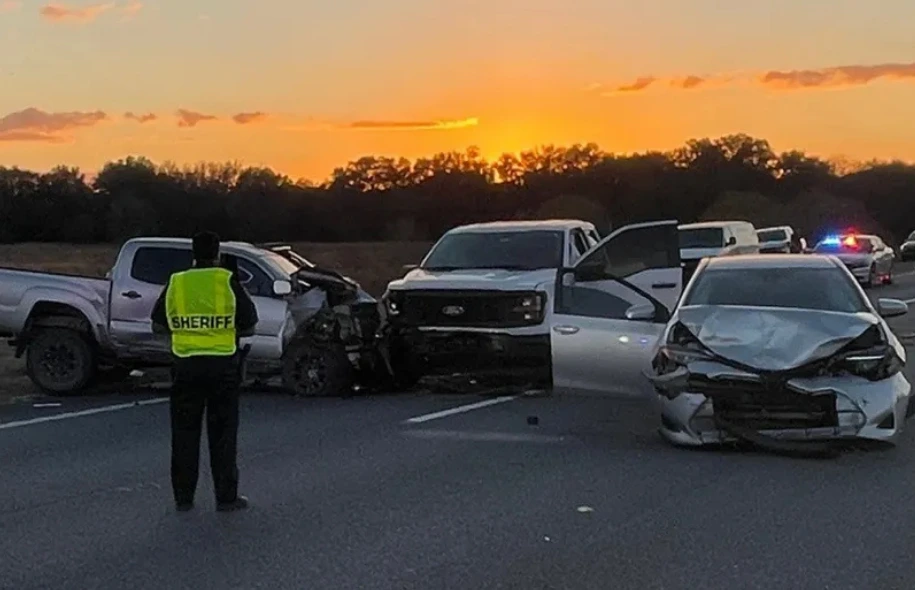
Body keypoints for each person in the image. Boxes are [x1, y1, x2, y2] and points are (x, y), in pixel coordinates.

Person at [151, 231, 259, 513]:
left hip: (185, 365)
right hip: (223, 365)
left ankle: (183, 498)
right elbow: (250, 325)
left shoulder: (177, 281)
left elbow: (158, 325)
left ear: (193, 254)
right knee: (223, 434)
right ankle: (226, 498)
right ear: (218, 254)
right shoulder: (227, 281)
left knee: (184, 433)